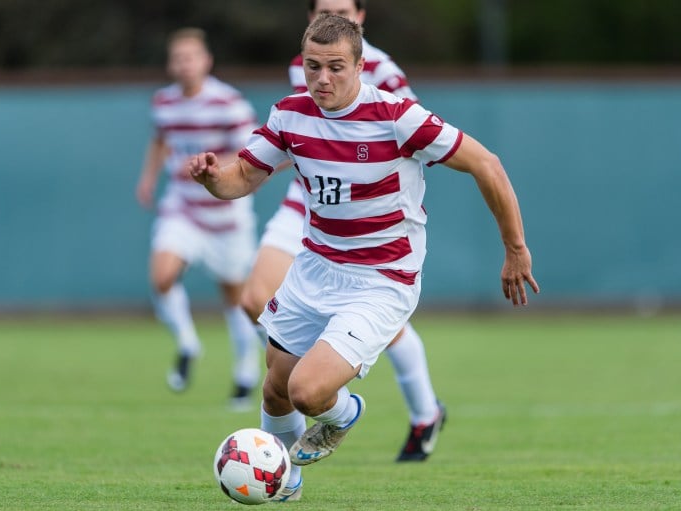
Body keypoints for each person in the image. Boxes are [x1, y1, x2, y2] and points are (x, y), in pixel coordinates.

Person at [189, 14, 539, 501]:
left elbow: (487, 164)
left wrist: (515, 249)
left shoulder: (399, 118)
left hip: (381, 277)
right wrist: (213, 179)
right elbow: (242, 178)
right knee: (275, 387)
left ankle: (344, 413)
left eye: (335, 67)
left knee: (308, 393)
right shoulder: (290, 115)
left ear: (359, 66)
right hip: (315, 267)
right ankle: (286, 483)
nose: (322, 78)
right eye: (313, 66)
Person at [239, 0, 446, 464]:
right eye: (324, 11)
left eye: (343, 10)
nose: (323, 75)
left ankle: (425, 411)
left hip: (367, 214)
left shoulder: (386, 74)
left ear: (362, 16)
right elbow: (301, 131)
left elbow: (407, 142)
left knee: (375, 324)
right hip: (310, 200)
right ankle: (288, 432)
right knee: (255, 299)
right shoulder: (303, 66)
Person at [135, 28, 262, 409]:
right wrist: (149, 177)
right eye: (178, 58)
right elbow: (161, 139)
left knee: (237, 298)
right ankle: (189, 343)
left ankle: (245, 371)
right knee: (161, 277)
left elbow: (251, 153)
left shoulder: (229, 104)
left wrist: (218, 173)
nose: (184, 65)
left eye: (191, 57)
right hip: (184, 208)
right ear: (171, 64)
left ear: (206, 61)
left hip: (226, 215)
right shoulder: (164, 102)